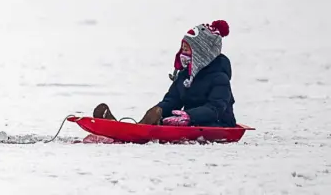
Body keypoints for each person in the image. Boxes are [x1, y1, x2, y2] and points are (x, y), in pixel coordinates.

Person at [94, 20, 236, 127]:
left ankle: (139, 129)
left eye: (187, 50)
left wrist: (190, 116)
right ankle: (130, 126)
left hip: (217, 124)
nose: (182, 54)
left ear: (201, 54)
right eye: (182, 49)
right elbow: (173, 100)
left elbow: (216, 108)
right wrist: (160, 111)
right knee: (157, 116)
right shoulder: (185, 75)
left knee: (168, 125)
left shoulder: (219, 78)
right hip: (189, 122)